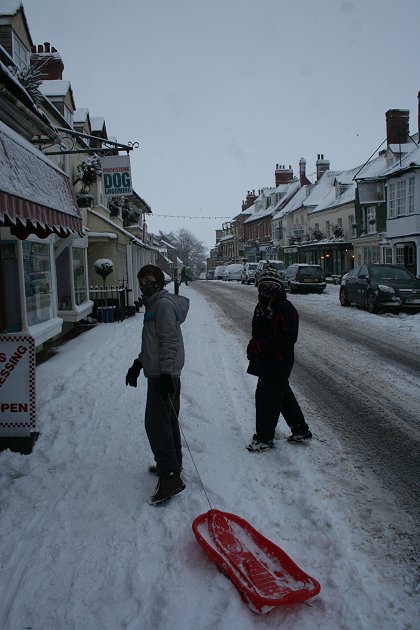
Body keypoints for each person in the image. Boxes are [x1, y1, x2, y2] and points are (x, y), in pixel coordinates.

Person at [125, 264, 189, 505]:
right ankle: (174, 464)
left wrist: (164, 373)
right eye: (141, 282)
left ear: (160, 282)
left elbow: (169, 341)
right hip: (162, 373)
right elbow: (153, 343)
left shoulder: (161, 305)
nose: (145, 286)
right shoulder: (154, 304)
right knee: (167, 421)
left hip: (165, 374)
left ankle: (170, 477)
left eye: (149, 281)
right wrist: (138, 364)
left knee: (155, 424)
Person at [246, 266, 312, 452]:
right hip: (265, 360)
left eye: (272, 286)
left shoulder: (285, 308)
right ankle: (300, 430)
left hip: (279, 360)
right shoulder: (260, 307)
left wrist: (262, 346)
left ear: (279, 287)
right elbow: (257, 332)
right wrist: (253, 347)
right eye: (264, 285)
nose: (267, 289)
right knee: (281, 393)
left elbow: (288, 337)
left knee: (266, 397)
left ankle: (264, 438)